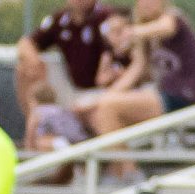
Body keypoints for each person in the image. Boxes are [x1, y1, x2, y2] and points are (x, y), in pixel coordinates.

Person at [82, 0, 195, 144]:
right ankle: (120, 165)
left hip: (183, 95)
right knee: (97, 110)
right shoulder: (142, 31)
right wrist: (103, 97)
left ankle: (125, 165)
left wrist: (129, 33)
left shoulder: (172, 18)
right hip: (163, 94)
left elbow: (167, 26)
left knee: (108, 107)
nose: (147, 3)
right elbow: (136, 69)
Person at [13, 0, 117, 157]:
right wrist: (35, 62)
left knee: (101, 110)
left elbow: (117, 56)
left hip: (103, 91)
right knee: (25, 69)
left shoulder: (106, 17)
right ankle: (36, 131)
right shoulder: (61, 19)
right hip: (72, 89)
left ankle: (110, 162)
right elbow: (26, 43)